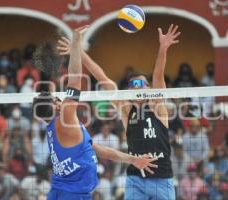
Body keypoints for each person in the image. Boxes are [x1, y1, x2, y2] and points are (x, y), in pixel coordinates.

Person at [57, 23, 181, 199]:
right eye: (134, 84)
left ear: (148, 88)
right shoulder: (125, 109)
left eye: (141, 84)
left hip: (161, 179)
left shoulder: (158, 108)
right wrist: (77, 51)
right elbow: (102, 77)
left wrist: (163, 48)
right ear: (129, 90)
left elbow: (158, 76)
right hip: (135, 178)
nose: (137, 88)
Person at [33, 26, 157, 200]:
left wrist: (132, 160)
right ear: (55, 106)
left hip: (68, 192)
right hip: (71, 195)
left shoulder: (54, 127)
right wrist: (76, 43)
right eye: (56, 99)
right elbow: (75, 78)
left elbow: (98, 150)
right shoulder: (65, 120)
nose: (60, 99)